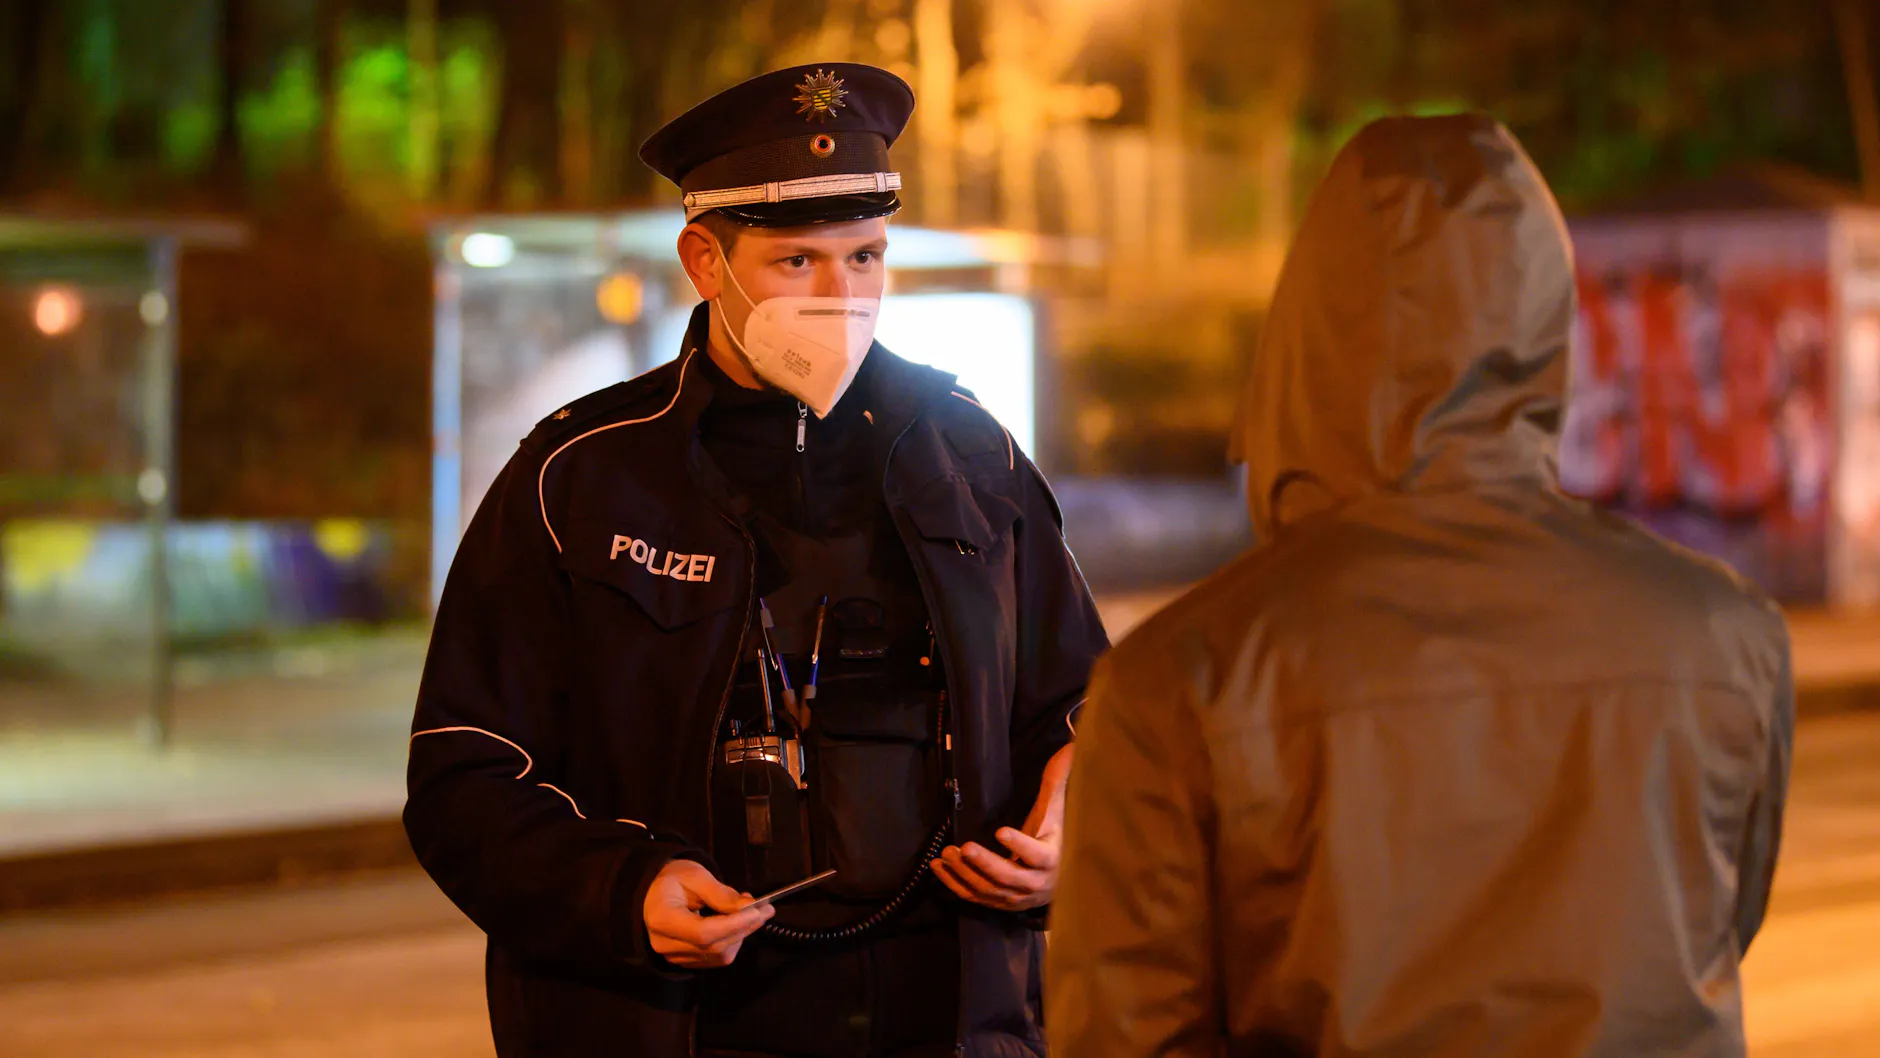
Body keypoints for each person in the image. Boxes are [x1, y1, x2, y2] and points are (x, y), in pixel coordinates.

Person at [1046, 114, 1794, 1057]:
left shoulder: (1179, 680)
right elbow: (1718, 923)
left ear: (1305, 336)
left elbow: (1124, 1036)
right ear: (1544, 323)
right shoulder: (1726, 635)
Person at [406, 63, 1106, 1058]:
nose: (841, 297)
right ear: (705, 259)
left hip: (947, 1020)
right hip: (677, 1023)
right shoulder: (582, 477)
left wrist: (1072, 815)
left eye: (865, 256)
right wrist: (619, 889)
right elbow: (463, 775)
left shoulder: (974, 456)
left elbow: (1086, 706)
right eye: (796, 263)